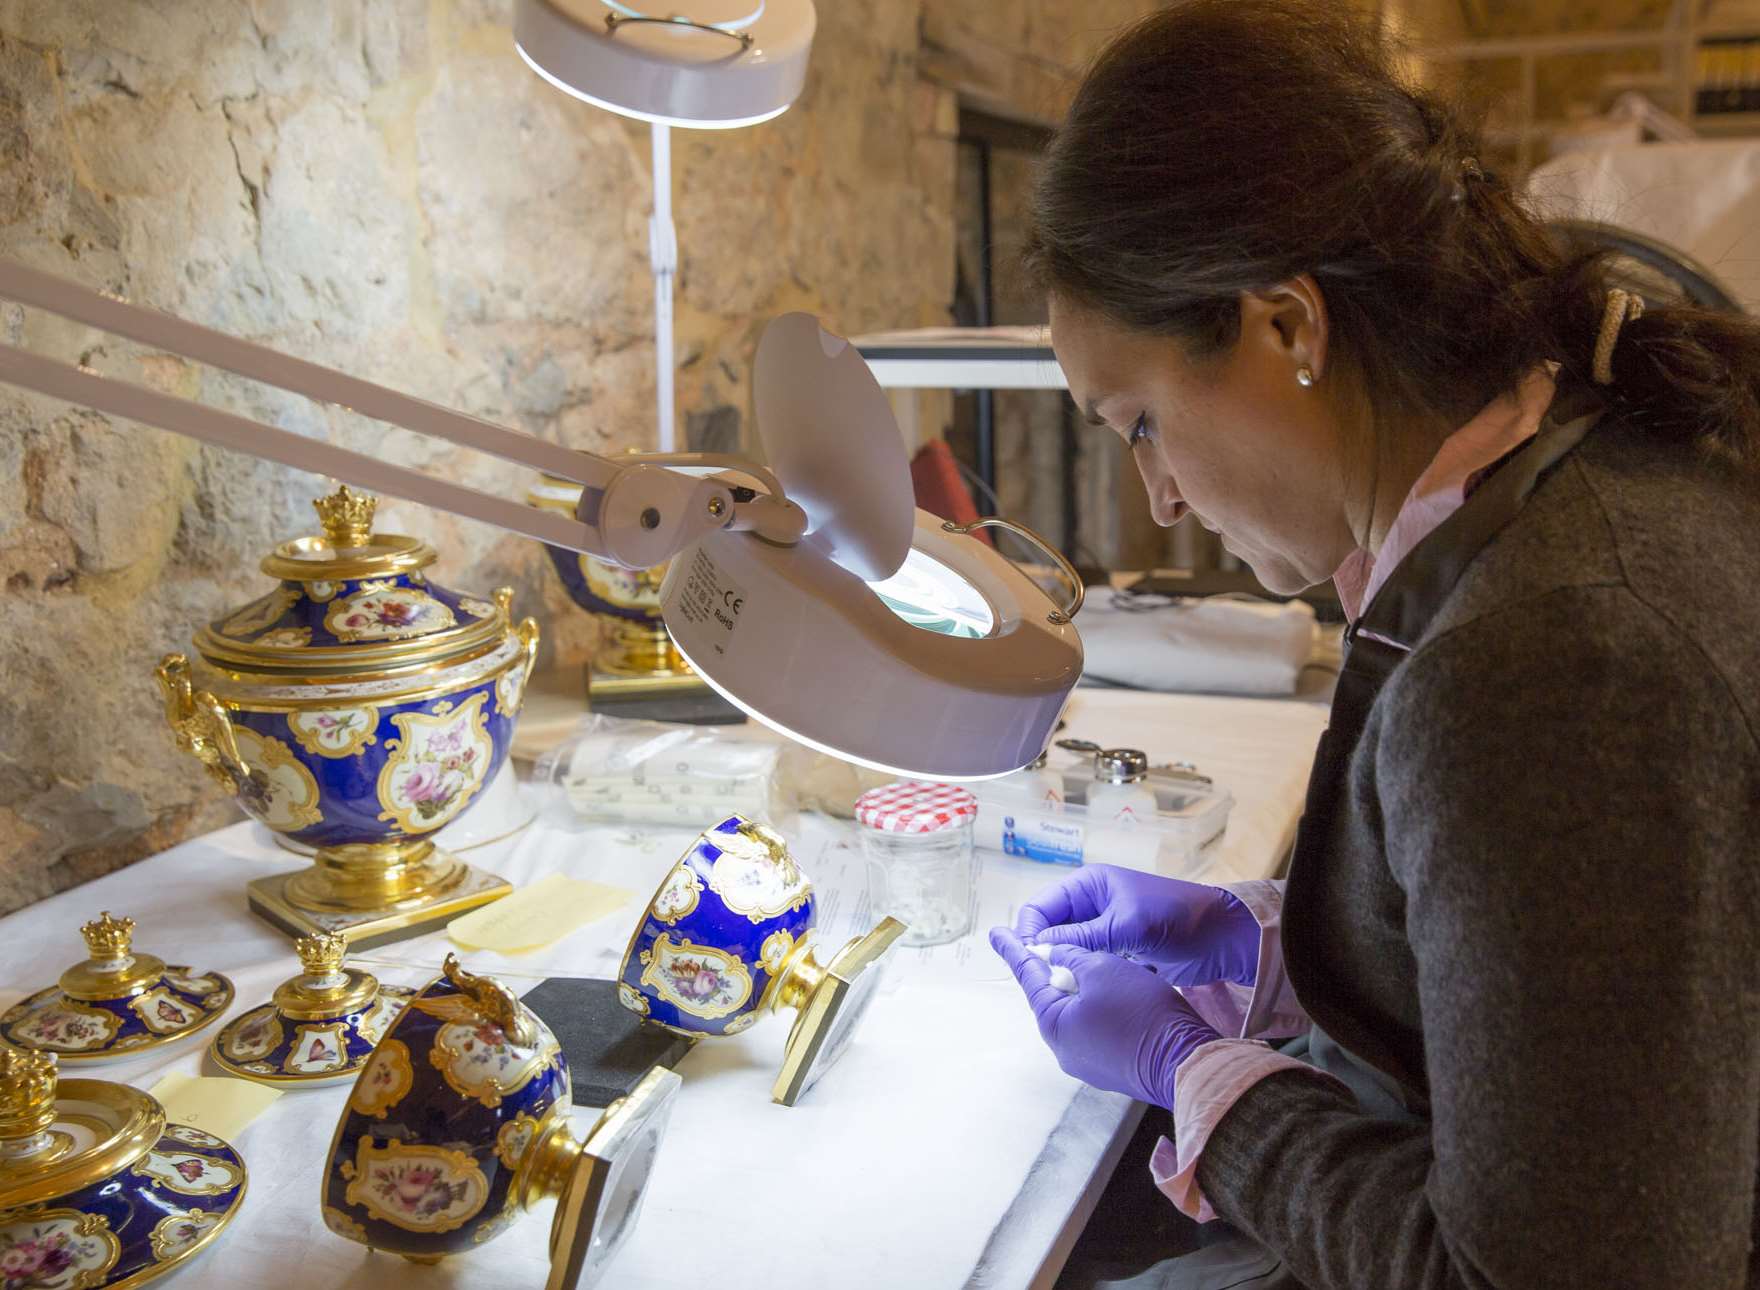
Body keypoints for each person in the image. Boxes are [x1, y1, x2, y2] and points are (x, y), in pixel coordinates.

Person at [987, 3, 1760, 1287]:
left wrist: (1200, 1077)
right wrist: (1294, 951)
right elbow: (1579, 984)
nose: (1158, 500)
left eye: (1136, 423)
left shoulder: (1549, 656)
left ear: (1286, 326)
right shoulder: (1577, 475)